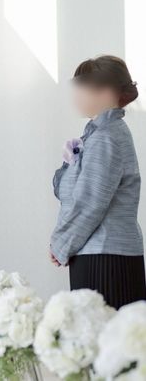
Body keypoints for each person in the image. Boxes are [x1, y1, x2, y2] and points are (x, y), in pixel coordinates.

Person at [50, 54, 146, 309]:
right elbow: (74, 192)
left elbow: (89, 202)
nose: (76, 94)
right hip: (100, 253)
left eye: (82, 86)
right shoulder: (100, 134)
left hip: (105, 257)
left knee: (103, 330)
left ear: (106, 92)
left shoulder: (106, 136)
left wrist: (61, 244)